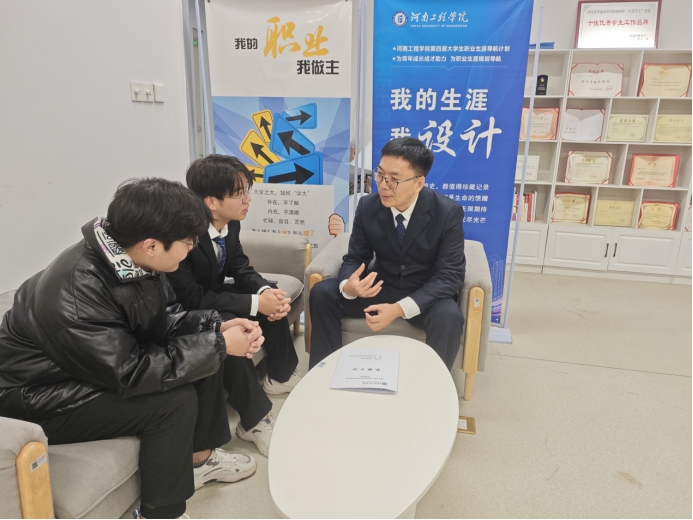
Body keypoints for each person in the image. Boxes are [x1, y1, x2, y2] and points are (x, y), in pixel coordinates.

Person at [0, 178, 265, 520]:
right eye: (188, 242)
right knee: (174, 400)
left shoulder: (132, 257)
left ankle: (199, 460)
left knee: (206, 353)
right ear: (152, 245)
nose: (191, 249)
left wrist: (214, 328)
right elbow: (130, 373)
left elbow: (163, 319)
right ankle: (161, 514)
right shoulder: (77, 292)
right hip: (37, 397)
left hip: (89, 369)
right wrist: (217, 345)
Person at [167, 155, 302, 457]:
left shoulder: (231, 224)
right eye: (239, 194)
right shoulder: (182, 234)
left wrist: (265, 292)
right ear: (211, 202)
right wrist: (254, 303)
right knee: (236, 328)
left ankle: (280, 375)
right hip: (183, 310)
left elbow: (240, 267)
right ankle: (253, 422)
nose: (247, 199)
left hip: (210, 295)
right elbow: (191, 298)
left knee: (271, 296)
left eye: (247, 191)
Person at [309, 137, 466, 369]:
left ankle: (432, 384)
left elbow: (450, 276)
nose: (383, 185)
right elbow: (355, 257)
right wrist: (348, 286)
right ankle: (324, 371)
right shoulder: (368, 206)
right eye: (380, 175)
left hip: (424, 294)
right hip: (382, 287)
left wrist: (399, 309)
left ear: (419, 183)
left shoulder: (447, 213)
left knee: (450, 316)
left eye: (394, 180)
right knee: (323, 292)